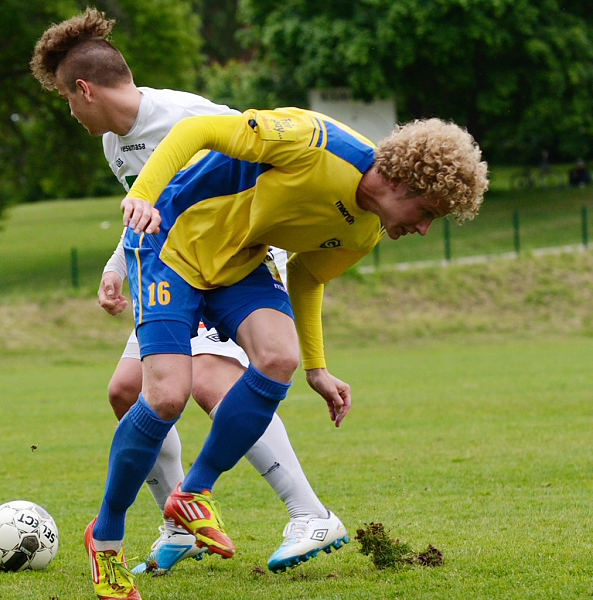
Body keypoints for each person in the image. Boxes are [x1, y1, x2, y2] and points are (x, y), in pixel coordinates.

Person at [90, 108, 488, 599]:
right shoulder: (313, 141)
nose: (425, 229)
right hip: (171, 237)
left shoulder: (366, 231)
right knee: (167, 396)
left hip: (240, 262)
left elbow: (307, 275)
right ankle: (105, 537)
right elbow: (197, 130)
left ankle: (192, 493)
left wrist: (318, 368)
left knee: (280, 358)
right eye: (428, 212)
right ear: (405, 182)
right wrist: (143, 196)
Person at [31, 8, 346, 585]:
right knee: (126, 392)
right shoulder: (113, 144)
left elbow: (260, 177)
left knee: (206, 383)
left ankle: (309, 514)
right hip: (169, 266)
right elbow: (150, 208)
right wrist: (116, 264)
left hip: (228, 261)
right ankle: (180, 522)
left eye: (65, 99)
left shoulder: (192, 116)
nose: (69, 112)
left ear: (85, 88)